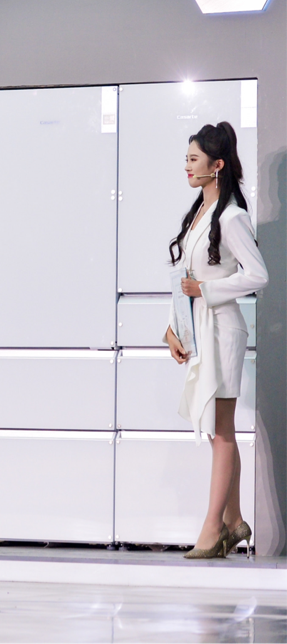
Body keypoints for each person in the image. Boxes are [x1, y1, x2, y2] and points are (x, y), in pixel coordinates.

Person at [164, 122, 267, 559]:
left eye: (194, 159)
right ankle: (234, 520)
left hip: (222, 330)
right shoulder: (199, 214)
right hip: (200, 330)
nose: (187, 167)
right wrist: (172, 328)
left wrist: (207, 290)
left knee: (221, 431)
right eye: (187, 159)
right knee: (216, 431)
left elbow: (258, 275)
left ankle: (212, 529)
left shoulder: (232, 216)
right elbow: (183, 280)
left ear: (217, 165)